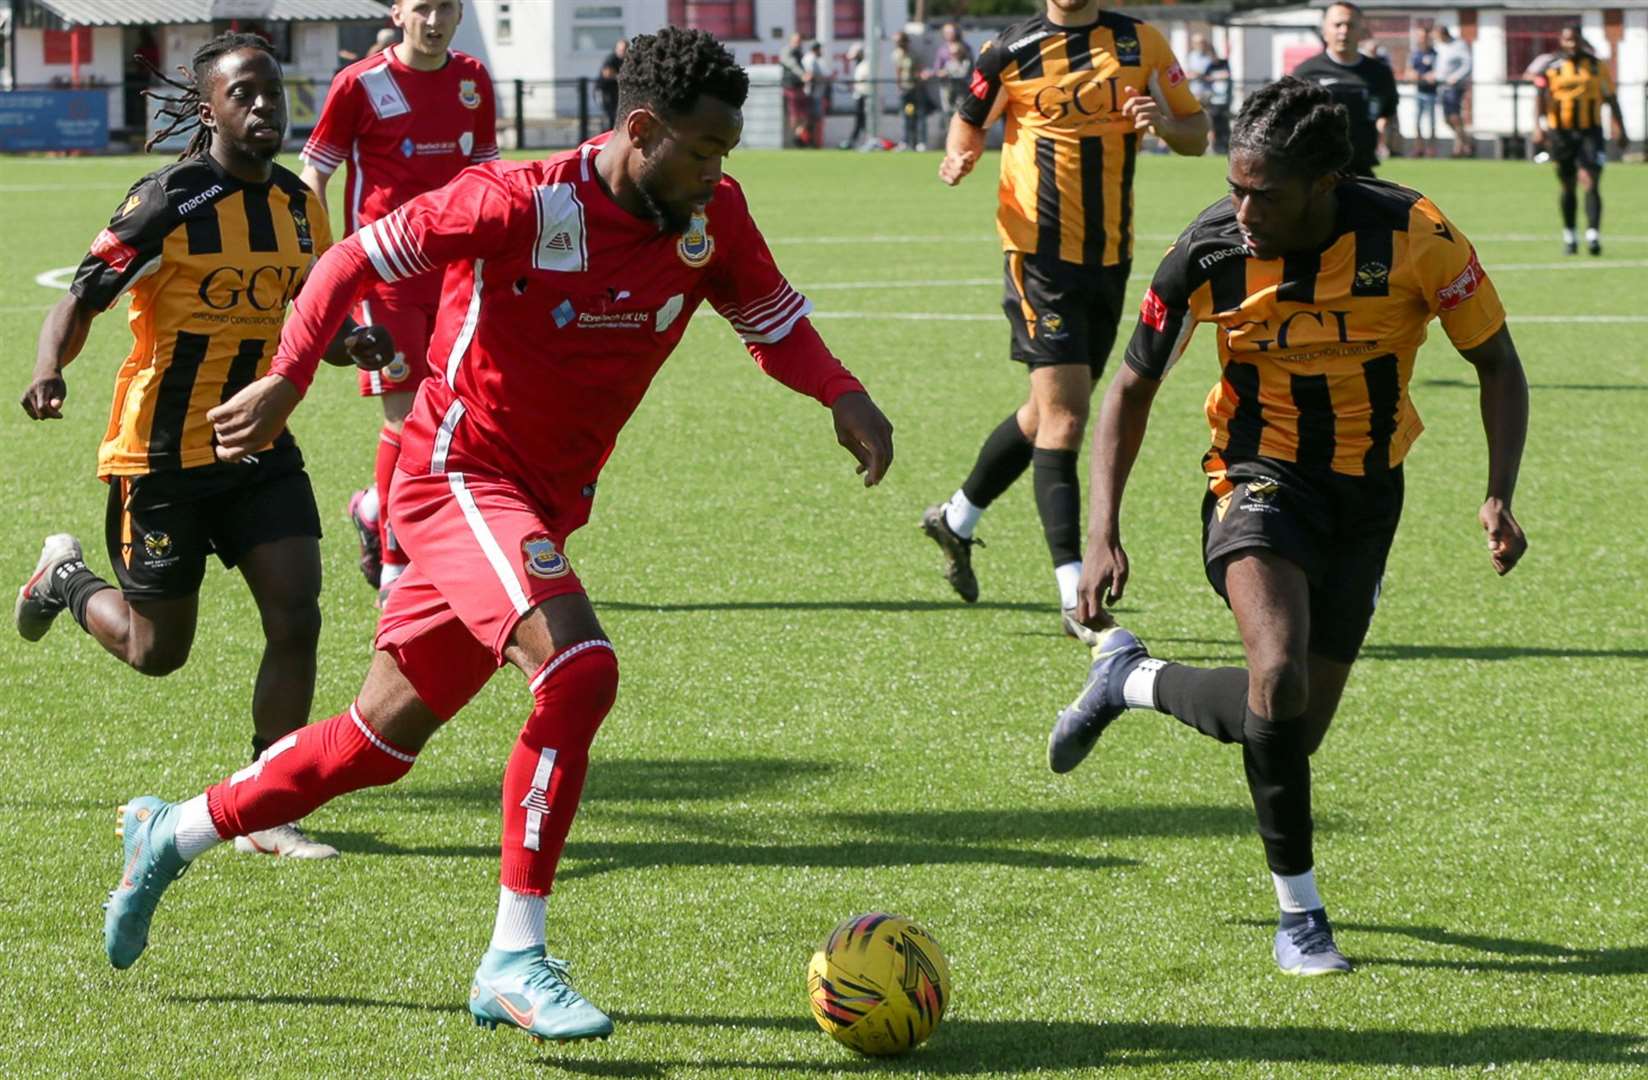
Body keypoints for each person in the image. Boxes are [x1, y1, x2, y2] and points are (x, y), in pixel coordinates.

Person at [99, 27, 895, 1044]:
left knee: (374, 747)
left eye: (724, 155)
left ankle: (171, 830)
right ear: (640, 131)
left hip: (537, 502)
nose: (715, 174)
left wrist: (841, 391)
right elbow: (349, 257)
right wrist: (291, 381)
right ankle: (515, 956)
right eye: (701, 152)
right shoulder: (518, 200)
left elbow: (769, 316)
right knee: (579, 670)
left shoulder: (709, 217)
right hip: (455, 477)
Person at [1046, 77, 1529, 975]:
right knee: (1276, 672)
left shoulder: (1416, 236)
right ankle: (1300, 917)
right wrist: (1101, 529)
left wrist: (1500, 491)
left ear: (1325, 182)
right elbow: (1132, 386)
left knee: (1291, 724)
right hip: (1253, 475)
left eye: (1263, 193)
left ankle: (1130, 680)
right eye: (1235, 186)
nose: (1241, 208)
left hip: (1367, 495)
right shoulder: (1208, 249)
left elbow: (1497, 363)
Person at [16, 33, 393, 859]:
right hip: (158, 457)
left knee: (297, 614)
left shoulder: (301, 206)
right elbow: (80, 300)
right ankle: (65, 577)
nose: (264, 108)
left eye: (273, 93)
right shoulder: (168, 200)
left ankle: (266, 809)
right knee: (159, 653)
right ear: (211, 107)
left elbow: (311, 319)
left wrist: (349, 345)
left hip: (257, 448)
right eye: (243, 95)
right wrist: (49, 369)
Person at [925, 0, 1209, 636]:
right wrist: (959, 157)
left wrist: (1162, 121)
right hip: (1037, 253)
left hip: (1109, 255)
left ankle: (956, 518)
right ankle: (1072, 594)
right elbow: (967, 121)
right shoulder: (1008, 49)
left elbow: (1198, 134)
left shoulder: (1142, 45)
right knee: (1067, 415)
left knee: (1044, 412)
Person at [299, 0, 498, 605]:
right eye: (422, 8)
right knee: (405, 415)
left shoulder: (473, 79)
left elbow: (489, 174)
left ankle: (376, 505)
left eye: (445, 7)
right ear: (398, 11)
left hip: (458, 275)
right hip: (384, 278)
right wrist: (325, 263)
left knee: (457, 413)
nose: (434, 20)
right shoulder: (359, 83)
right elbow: (315, 172)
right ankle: (394, 563)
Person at [1533, 24, 1629, 256]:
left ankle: (1593, 236)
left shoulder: (1597, 66)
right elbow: (1539, 97)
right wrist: (1538, 127)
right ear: (1561, 41)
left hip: (1590, 131)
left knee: (1591, 180)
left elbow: (1611, 97)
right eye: (1568, 40)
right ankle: (1570, 235)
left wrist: (1621, 128)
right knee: (1567, 184)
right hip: (1561, 133)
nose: (1572, 44)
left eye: (1575, 39)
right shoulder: (1550, 66)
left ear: (1581, 40)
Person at [1291, 2, 1398, 175]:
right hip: (1316, 173)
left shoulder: (1379, 73)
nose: (1344, 31)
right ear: (1325, 31)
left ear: (1362, 31)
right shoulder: (1306, 72)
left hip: (1361, 170)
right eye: (1337, 25)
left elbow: (1387, 111)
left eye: (1350, 25)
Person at [1184, 32, 1232, 154]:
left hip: (1207, 94)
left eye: (1202, 42)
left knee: (1208, 121)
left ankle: (1210, 148)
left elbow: (1213, 73)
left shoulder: (1209, 57)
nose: (1200, 45)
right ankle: (1191, 146)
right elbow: (1186, 74)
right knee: (1192, 120)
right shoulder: (1190, 57)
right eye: (1197, 43)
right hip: (1194, 92)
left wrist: (1204, 75)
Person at [1432, 25, 1472, 157]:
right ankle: (1466, 142)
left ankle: (1459, 148)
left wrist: (1456, 77)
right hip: (1442, 86)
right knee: (1446, 119)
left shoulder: (1459, 45)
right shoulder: (1439, 46)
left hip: (1454, 87)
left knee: (1454, 116)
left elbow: (1468, 64)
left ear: (1443, 34)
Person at [1408, 27, 1437, 157]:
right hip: (1418, 92)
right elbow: (1408, 71)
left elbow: (1439, 70)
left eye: (1424, 36)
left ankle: (1431, 149)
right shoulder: (1414, 54)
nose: (1422, 39)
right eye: (1420, 36)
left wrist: (1432, 75)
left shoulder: (1435, 53)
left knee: (1431, 123)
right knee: (1417, 122)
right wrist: (1415, 75)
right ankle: (1418, 149)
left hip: (1432, 93)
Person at [893, 32, 924, 151]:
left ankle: (917, 141)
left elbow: (917, 70)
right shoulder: (897, 55)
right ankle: (905, 141)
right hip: (904, 90)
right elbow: (898, 72)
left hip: (914, 89)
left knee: (915, 115)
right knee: (906, 116)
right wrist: (899, 87)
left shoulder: (913, 54)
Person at [781, 32, 811, 146]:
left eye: (799, 41)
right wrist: (803, 75)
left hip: (800, 87)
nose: (798, 43)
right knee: (794, 114)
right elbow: (792, 65)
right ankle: (795, 137)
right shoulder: (787, 52)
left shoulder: (800, 53)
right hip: (791, 87)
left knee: (804, 114)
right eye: (796, 41)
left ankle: (799, 136)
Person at [842, 42, 871, 150]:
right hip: (859, 96)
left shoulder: (864, 65)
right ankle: (855, 141)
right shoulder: (860, 66)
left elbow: (864, 82)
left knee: (863, 121)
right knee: (860, 122)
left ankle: (862, 141)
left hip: (864, 97)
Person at [803, 40, 830, 150]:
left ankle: (812, 142)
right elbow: (811, 76)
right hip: (812, 94)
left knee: (813, 120)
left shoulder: (813, 59)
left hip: (815, 93)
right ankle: (810, 142)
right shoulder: (811, 59)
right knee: (813, 120)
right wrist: (825, 79)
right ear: (816, 49)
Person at [598, 37, 627, 132]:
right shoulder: (611, 59)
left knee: (617, 115)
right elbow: (607, 73)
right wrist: (622, 77)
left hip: (616, 93)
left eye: (624, 49)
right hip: (605, 92)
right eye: (621, 49)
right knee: (609, 116)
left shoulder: (627, 60)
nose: (622, 52)